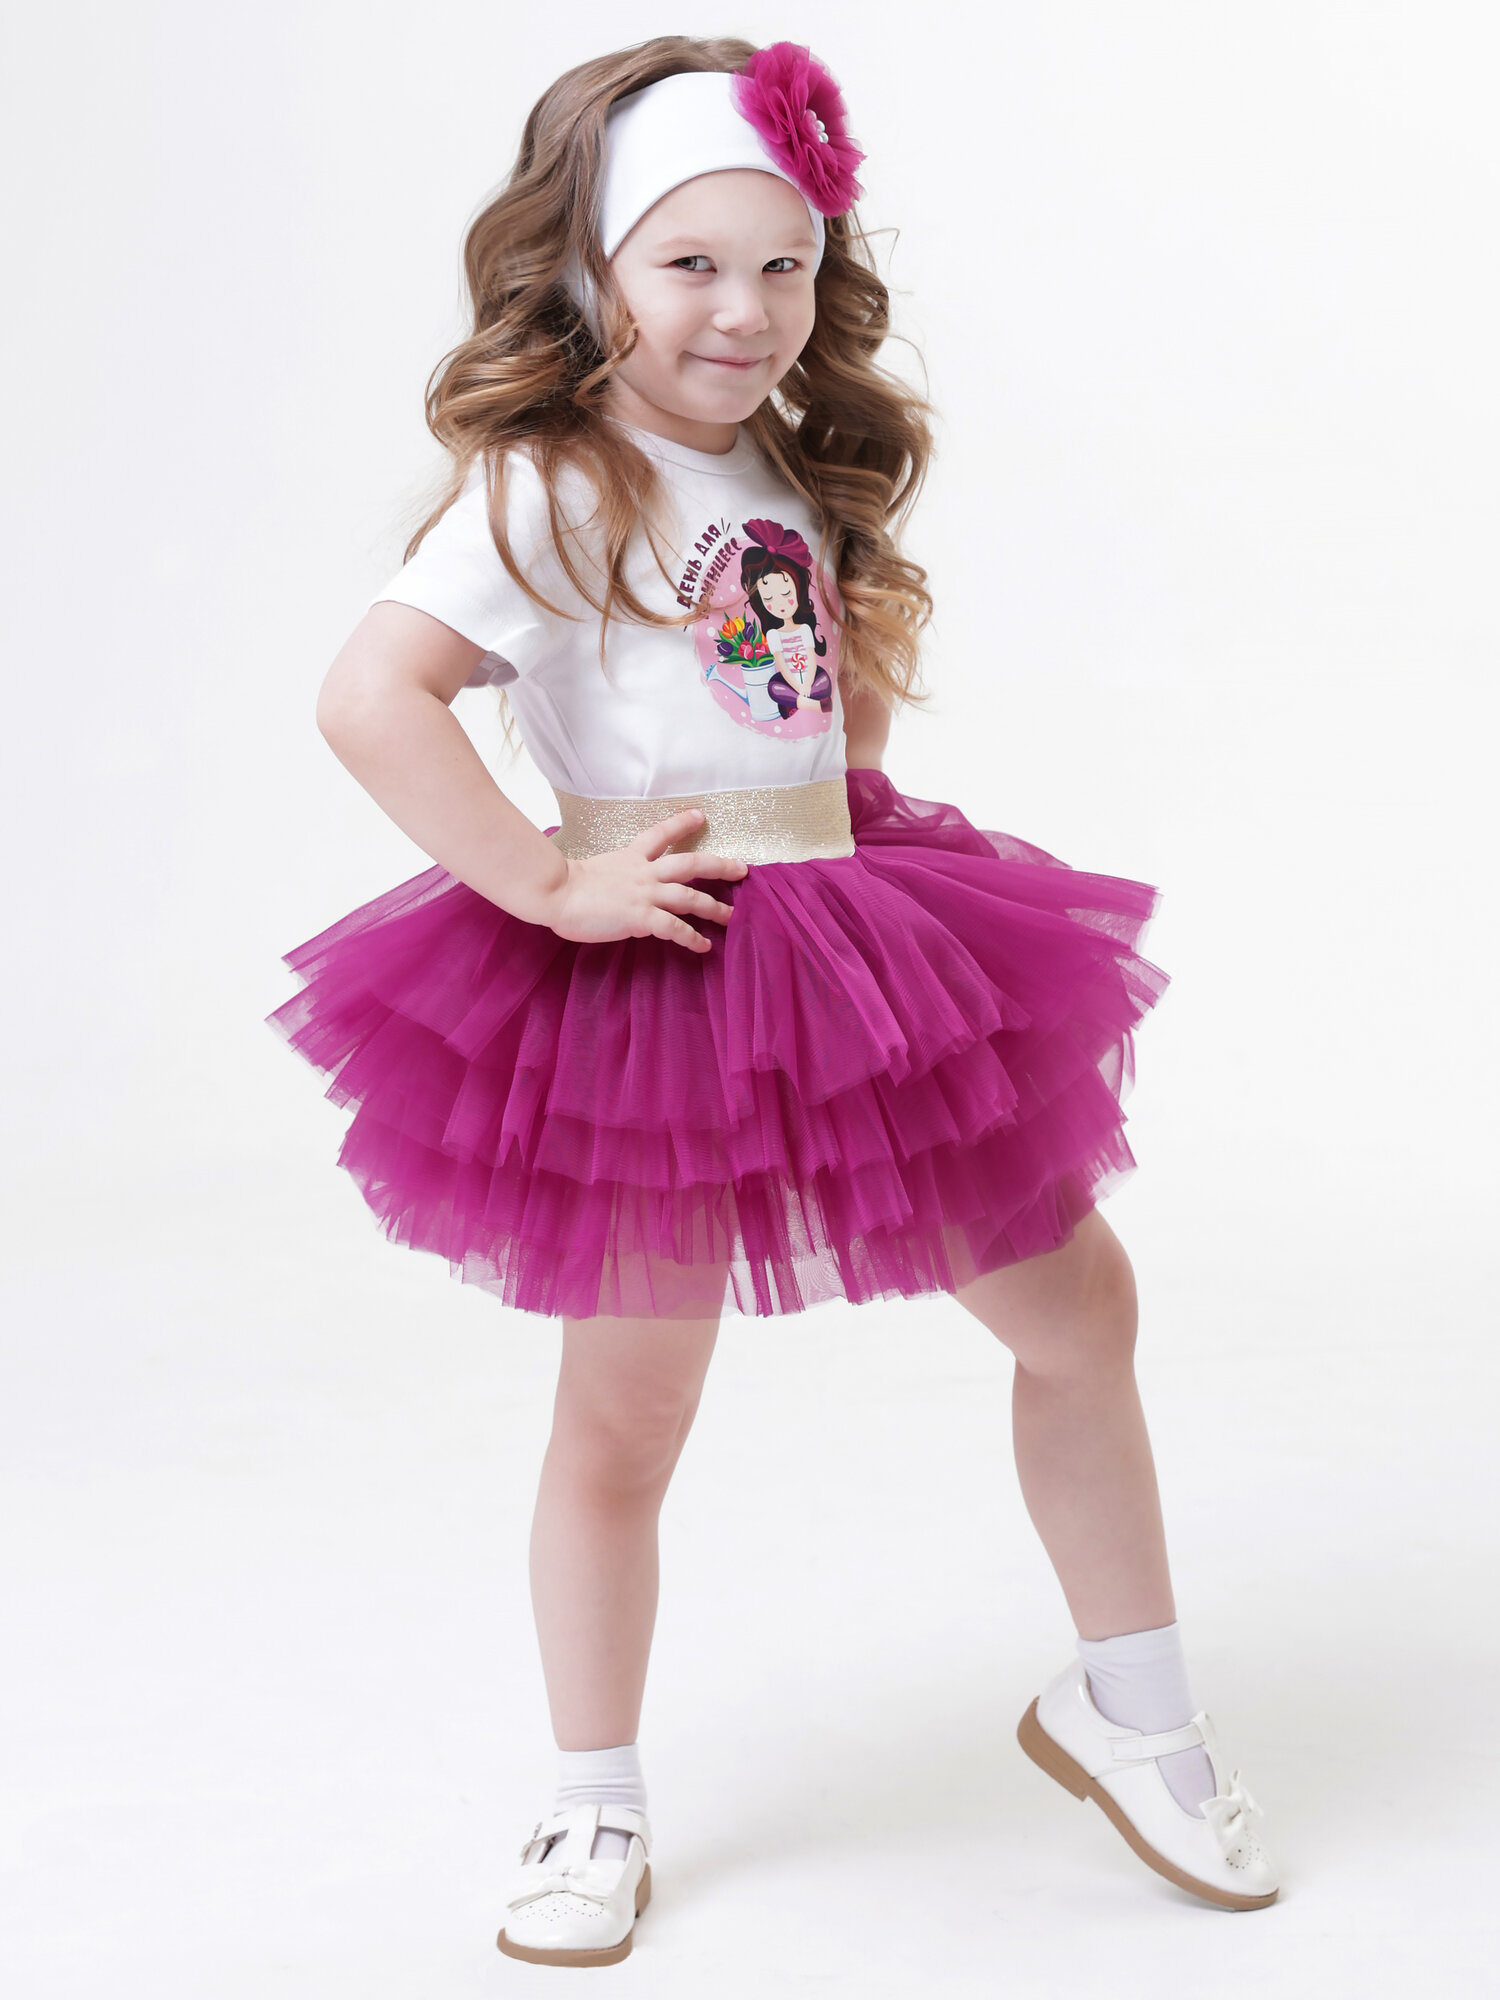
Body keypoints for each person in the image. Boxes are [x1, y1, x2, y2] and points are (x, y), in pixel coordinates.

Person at [268, 35, 1278, 1969]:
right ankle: (592, 1799)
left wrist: (847, 812)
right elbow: (368, 696)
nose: (745, 311)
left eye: (785, 266)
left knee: (1078, 1307)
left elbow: (818, 700)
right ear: (590, 271)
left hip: (840, 954)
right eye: (691, 265)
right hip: (661, 987)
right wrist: (549, 881)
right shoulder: (545, 483)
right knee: (629, 1412)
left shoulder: (786, 467)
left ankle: (1133, 1708)